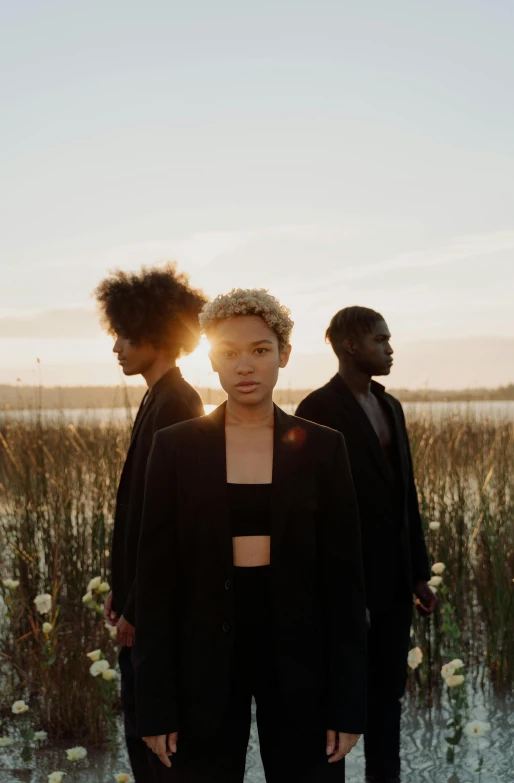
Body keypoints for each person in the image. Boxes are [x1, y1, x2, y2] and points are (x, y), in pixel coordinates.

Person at [133, 289, 367, 783]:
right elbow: (154, 583)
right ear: (211, 360)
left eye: (260, 350)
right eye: (229, 352)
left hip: (302, 656)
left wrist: (347, 706)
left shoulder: (324, 448)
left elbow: (345, 583)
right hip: (202, 654)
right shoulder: (174, 447)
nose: (245, 365)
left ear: (283, 354)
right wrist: (154, 706)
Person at [296, 306, 437, 783]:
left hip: (395, 584)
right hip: (347, 589)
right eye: (381, 339)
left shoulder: (390, 406)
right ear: (350, 345)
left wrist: (418, 572)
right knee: (336, 700)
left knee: (388, 699)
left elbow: (405, 496)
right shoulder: (316, 410)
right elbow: (309, 515)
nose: (390, 348)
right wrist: (342, 596)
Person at [93, 263, 206, 782]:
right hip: (144, 603)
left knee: (158, 747)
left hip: (159, 616)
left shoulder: (178, 402)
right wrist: (122, 590)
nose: (116, 345)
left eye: (124, 332)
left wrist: (137, 606)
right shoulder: (158, 396)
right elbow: (138, 509)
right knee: (145, 740)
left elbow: (169, 522)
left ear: (155, 331)